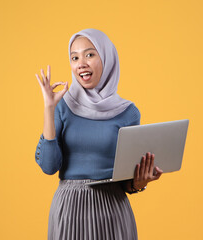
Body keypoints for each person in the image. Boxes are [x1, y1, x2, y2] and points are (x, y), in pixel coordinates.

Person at [34, 28, 163, 240]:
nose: (81, 63)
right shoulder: (62, 106)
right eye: (74, 57)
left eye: (89, 54)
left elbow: (127, 181)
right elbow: (49, 166)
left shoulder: (128, 112)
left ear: (106, 58)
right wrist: (49, 107)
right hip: (69, 211)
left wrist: (140, 182)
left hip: (111, 210)